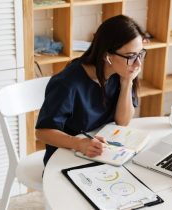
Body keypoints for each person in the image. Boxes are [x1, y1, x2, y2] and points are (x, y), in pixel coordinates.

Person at [35, 15, 147, 166]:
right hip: (66, 157)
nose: (138, 63)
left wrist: (127, 82)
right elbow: (42, 132)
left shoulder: (122, 73)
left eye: (141, 54)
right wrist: (79, 143)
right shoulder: (66, 84)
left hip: (101, 152)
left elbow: (123, 122)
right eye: (131, 56)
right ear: (107, 56)